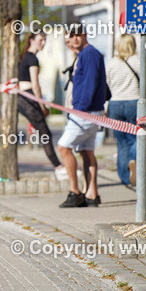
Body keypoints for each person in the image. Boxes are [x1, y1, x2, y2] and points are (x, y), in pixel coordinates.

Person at [57, 25, 107, 208]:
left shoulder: (89, 54)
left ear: (84, 34)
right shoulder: (83, 55)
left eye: (77, 35)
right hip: (90, 111)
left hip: (85, 112)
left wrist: (82, 108)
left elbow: (91, 82)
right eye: (69, 37)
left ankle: (75, 191)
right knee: (86, 151)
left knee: (63, 148)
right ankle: (92, 194)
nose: (73, 39)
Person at [106, 35, 146, 188]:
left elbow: (107, 86)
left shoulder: (111, 64)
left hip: (115, 104)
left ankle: (126, 178)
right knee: (136, 138)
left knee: (121, 142)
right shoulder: (140, 61)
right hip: (135, 103)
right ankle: (135, 162)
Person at [16, 31, 62, 177]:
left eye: (44, 40)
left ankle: (58, 165)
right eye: (40, 40)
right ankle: (58, 166)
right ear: (31, 40)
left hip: (21, 97)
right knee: (45, 134)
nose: (43, 43)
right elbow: (35, 84)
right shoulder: (32, 59)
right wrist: (42, 106)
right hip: (29, 97)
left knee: (42, 133)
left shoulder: (23, 57)